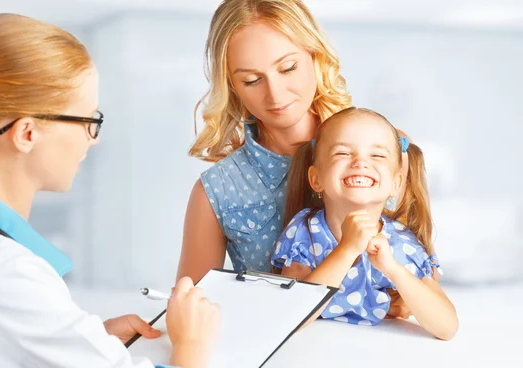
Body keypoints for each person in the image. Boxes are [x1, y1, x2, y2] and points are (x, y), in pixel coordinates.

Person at [0, 14, 219, 368]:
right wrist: (191, 349)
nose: (95, 139)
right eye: (90, 121)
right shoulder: (8, 272)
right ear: (26, 133)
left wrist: (84, 343)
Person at [177, 0, 420, 318]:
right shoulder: (216, 191)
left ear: (316, 56)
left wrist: (406, 298)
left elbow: (425, 268)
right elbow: (191, 310)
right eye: (251, 80)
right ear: (231, 86)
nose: (275, 94)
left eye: (288, 68)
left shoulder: (384, 150)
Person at [271, 107, 458, 340]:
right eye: (342, 153)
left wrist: (392, 269)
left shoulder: (402, 245)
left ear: (395, 183)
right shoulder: (306, 231)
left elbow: (447, 327)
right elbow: (288, 316)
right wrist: (347, 249)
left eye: (377, 156)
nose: (360, 162)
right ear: (316, 179)